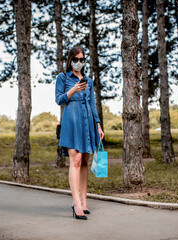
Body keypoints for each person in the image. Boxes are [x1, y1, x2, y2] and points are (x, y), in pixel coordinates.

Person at [55, 46, 104, 220]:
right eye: (75, 59)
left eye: (82, 60)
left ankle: (83, 200)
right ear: (70, 60)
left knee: (84, 160)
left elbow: (92, 104)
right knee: (74, 160)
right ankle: (75, 203)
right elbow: (59, 100)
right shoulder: (63, 77)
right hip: (71, 121)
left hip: (87, 121)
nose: (79, 63)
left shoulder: (88, 81)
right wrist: (73, 90)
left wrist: (98, 125)